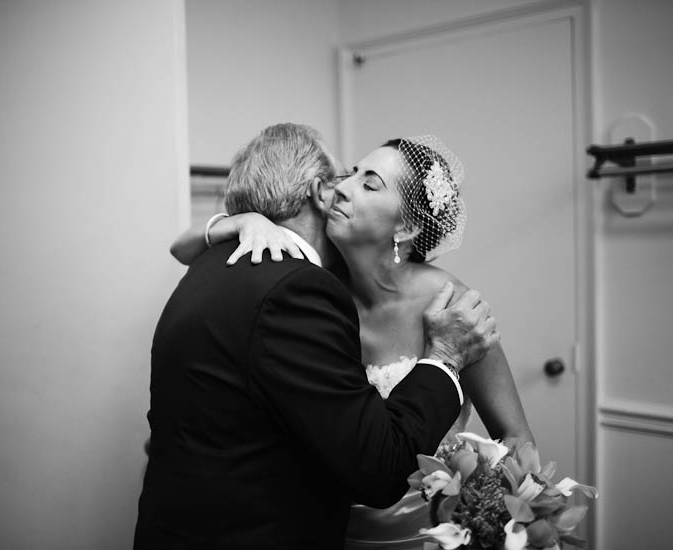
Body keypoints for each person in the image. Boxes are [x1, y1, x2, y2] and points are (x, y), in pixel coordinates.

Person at [134, 123, 500, 549]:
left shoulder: (213, 265)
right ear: (316, 192)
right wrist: (444, 356)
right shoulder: (302, 289)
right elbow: (376, 466)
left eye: (369, 183)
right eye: (345, 176)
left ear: (406, 226)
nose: (343, 190)